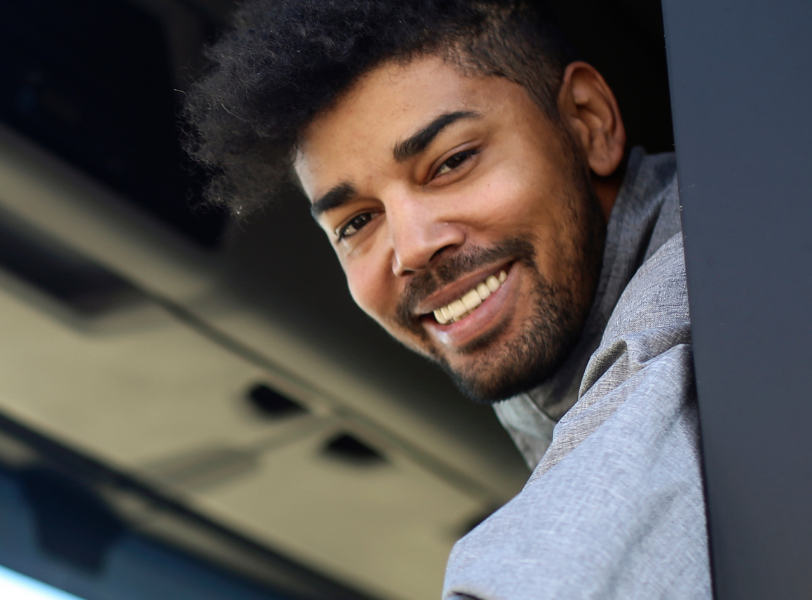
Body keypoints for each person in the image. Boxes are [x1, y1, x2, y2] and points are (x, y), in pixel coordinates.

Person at [183, 0, 704, 597]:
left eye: (452, 162)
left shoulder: (714, 281)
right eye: (355, 224)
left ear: (588, 123)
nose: (411, 249)